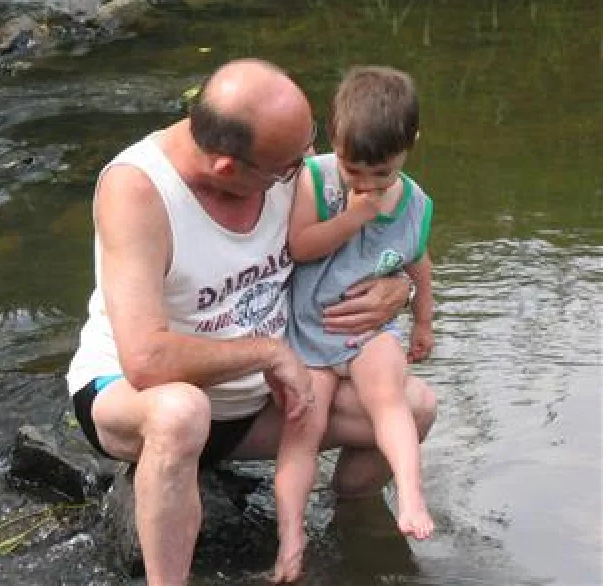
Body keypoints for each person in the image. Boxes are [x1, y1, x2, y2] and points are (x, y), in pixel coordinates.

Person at [65, 58, 437, 586]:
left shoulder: (283, 157)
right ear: (227, 169)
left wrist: (400, 289)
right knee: (180, 413)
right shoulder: (140, 193)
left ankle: (353, 529)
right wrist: (267, 353)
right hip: (136, 396)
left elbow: (382, 215)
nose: (309, 162)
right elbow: (146, 362)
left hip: (258, 406)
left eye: (310, 141)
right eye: (290, 164)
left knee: (416, 405)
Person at [272, 65, 435, 582]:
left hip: (368, 333)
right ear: (334, 140)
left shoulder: (415, 204)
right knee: (304, 426)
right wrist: (354, 216)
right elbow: (301, 247)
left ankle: (409, 496)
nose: (365, 184)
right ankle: (291, 535)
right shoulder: (315, 179)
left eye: (381, 174)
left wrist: (423, 322)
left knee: (389, 399)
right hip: (309, 330)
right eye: (353, 169)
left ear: (411, 143)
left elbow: (419, 265)